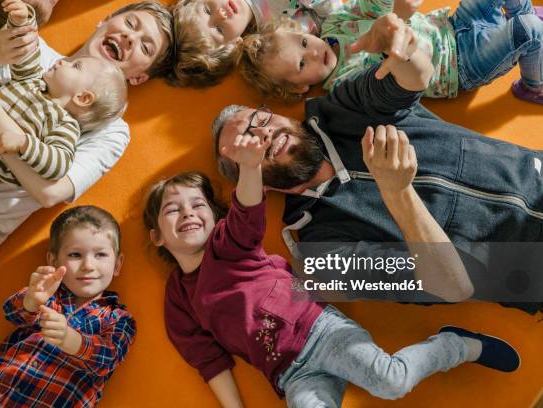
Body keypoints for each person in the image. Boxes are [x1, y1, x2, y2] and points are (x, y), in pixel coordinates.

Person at [213, 15, 543, 312]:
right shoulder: (323, 258)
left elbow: (416, 77)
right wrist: (397, 192)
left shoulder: (342, 108)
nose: (262, 134)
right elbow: (452, 286)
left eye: (257, 119)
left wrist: (400, 50)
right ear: (255, 183)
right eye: (245, 145)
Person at [142, 161, 518, 407]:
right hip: (288, 373)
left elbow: (247, 212)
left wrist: (251, 166)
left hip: (320, 330)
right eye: (173, 209)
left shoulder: (229, 245)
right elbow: (208, 360)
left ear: (215, 217)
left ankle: (456, 345)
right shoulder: (179, 298)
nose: (188, 213)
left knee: (390, 381)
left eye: (198, 205)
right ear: (158, 235)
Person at [0, 1, 173, 301]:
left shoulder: (111, 129)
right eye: (131, 24)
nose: (129, 38)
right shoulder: (33, 52)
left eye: (145, 47)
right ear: (104, 21)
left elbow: (49, 192)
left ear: (138, 77)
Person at [0, 0, 127, 218]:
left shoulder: (64, 126)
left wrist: (24, 143)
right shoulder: (34, 82)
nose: (63, 62)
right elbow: (28, 55)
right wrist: (23, 18)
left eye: (75, 66)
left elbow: (57, 164)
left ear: (82, 97)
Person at [0, 205, 135, 407]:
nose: (88, 265)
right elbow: (12, 313)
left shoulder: (119, 319)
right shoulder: (48, 292)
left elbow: (106, 360)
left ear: (117, 264)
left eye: (100, 255)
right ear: (53, 261)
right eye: (75, 255)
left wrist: (69, 339)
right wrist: (31, 300)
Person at [237, 0, 543, 103]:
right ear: (300, 87)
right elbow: (387, 81)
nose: (314, 53)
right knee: (529, 29)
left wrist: (393, 6)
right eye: (303, 64)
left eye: (304, 43)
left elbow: (373, 7)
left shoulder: (334, 25)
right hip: (461, 66)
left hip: (454, 25)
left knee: (526, 24)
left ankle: (526, 36)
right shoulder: (340, 86)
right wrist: (384, 42)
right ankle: (532, 85)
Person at [170, 0, 345, 87]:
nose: (221, 14)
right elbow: (330, 20)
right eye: (219, 29)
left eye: (207, 10)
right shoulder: (276, 34)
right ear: (234, 44)